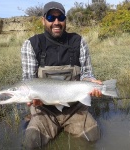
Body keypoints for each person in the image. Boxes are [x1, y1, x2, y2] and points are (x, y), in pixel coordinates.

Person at [21, 1, 102, 149]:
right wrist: (33, 100)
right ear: (43, 20)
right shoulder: (31, 44)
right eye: (51, 18)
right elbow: (28, 81)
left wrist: (91, 83)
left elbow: (86, 74)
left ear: (65, 19)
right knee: (31, 142)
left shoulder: (78, 42)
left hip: (74, 108)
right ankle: (35, 121)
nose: (56, 22)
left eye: (61, 17)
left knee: (93, 137)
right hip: (44, 109)